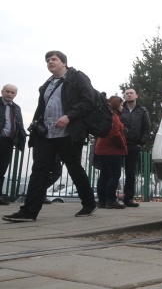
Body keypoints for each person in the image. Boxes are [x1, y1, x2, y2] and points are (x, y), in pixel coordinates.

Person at [3, 51, 97, 222]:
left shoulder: (77, 77)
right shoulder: (47, 84)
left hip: (69, 134)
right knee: (39, 170)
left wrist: (69, 116)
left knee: (74, 168)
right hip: (46, 134)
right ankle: (29, 212)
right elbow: (41, 109)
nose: (49, 62)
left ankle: (89, 203)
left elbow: (89, 101)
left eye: (53, 59)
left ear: (64, 63)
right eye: (47, 60)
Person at [94, 96, 128, 209]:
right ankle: (111, 200)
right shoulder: (114, 117)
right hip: (112, 150)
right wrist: (123, 144)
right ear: (117, 105)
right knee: (114, 175)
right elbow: (115, 133)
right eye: (121, 105)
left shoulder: (106, 116)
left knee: (104, 176)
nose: (122, 107)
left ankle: (102, 201)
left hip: (102, 150)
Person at [120, 88, 151, 207]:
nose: (129, 95)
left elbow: (147, 128)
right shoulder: (121, 110)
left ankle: (128, 199)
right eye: (126, 93)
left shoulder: (142, 111)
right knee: (114, 171)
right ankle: (110, 198)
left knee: (130, 173)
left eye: (131, 93)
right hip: (120, 144)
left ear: (136, 96)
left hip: (134, 145)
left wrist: (141, 143)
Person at [1, 84, 27, 205]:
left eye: (12, 92)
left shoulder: (16, 108)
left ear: (15, 95)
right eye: (7, 91)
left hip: (8, 141)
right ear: (2, 91)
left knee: (2, 168)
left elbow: (19, 125)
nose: (10, 94)